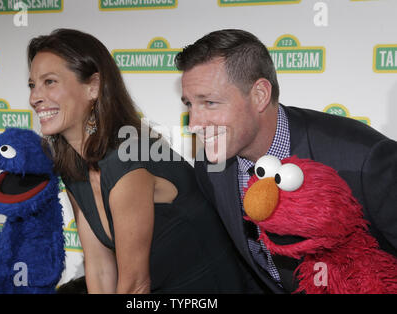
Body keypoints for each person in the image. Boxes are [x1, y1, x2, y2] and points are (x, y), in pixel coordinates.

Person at [27, 28, 260, 294]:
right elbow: (100, 266)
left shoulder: (127, 156)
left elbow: (135, 286)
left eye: (50, 82)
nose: (35, 98)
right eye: (32, 85)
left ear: (92, 86)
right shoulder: (73, 166)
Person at [175, 29, 397, 293]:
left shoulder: (364, 158)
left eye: (210, 103)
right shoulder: (210, 166)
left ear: (259, 95)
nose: (195, 123)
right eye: (189, 104)